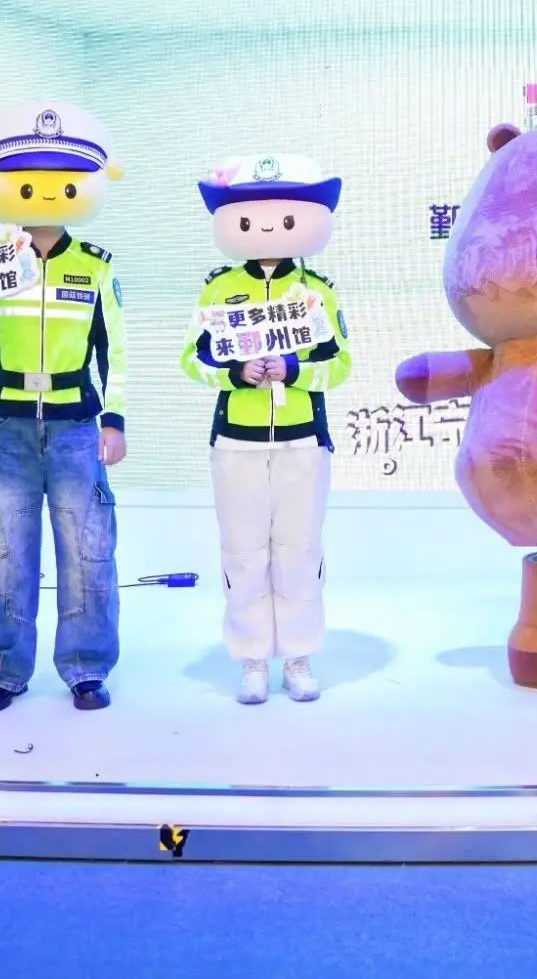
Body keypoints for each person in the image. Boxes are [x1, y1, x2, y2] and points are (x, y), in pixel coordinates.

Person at [0, 103, 128, 714]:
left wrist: (115, 419)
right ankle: (4, 670)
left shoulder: (96, 267)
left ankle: (86, 666)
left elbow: (116, 349)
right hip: (10, 428)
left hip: (76, 426)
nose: (46, 196)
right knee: (4, 551)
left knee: (86, 549)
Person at [181, 153, 350, 704]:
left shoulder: (316, 291)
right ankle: (251, 658)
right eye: (253, 218)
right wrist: (235, 374)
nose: (270, 230)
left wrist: (295, 370)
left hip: (303, 439)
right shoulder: (218, 290)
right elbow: (192, 359)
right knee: (244, 552)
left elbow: (341, 364)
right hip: (237, 441)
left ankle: (298, 656)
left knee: (299, 550)